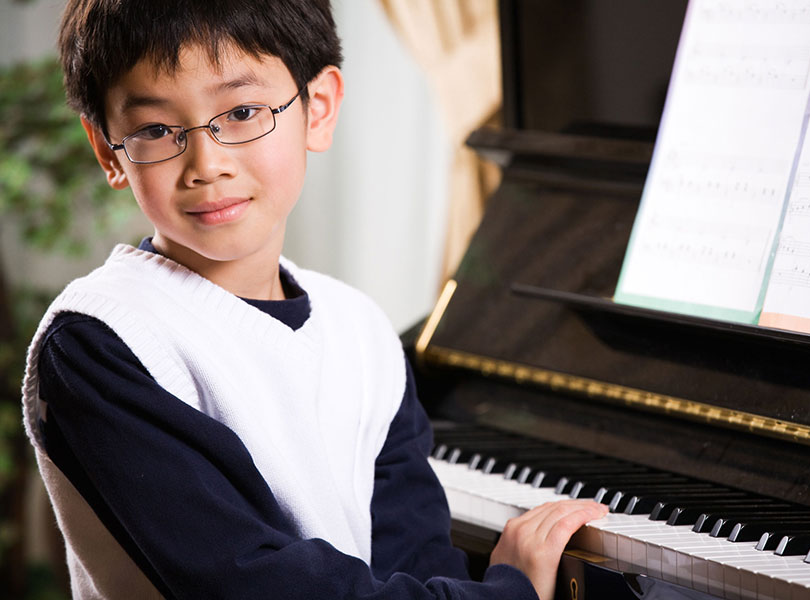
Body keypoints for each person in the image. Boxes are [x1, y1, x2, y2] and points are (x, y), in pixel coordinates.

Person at [20, 1, 608, 599]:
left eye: (243, 112)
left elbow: (416, 555)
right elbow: (248, 582)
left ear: (318, 109)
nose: (207, 164)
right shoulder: (101, 340)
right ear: (107, 151)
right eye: (155, 131)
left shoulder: (360, 329)